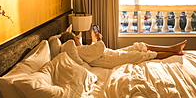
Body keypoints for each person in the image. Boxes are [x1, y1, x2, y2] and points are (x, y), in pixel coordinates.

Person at [59, 27, 187, 68]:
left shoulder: (81, 50)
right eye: (76, 37)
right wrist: (97, 37)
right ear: (71, 41)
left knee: (138, 46)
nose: (78, 37)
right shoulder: (78, 50)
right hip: (111, 59)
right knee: (142, 55)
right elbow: (99, 47)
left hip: (109, 54)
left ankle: (171, 48)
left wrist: (94, 39)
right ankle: (174, 52)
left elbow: (94, 50)